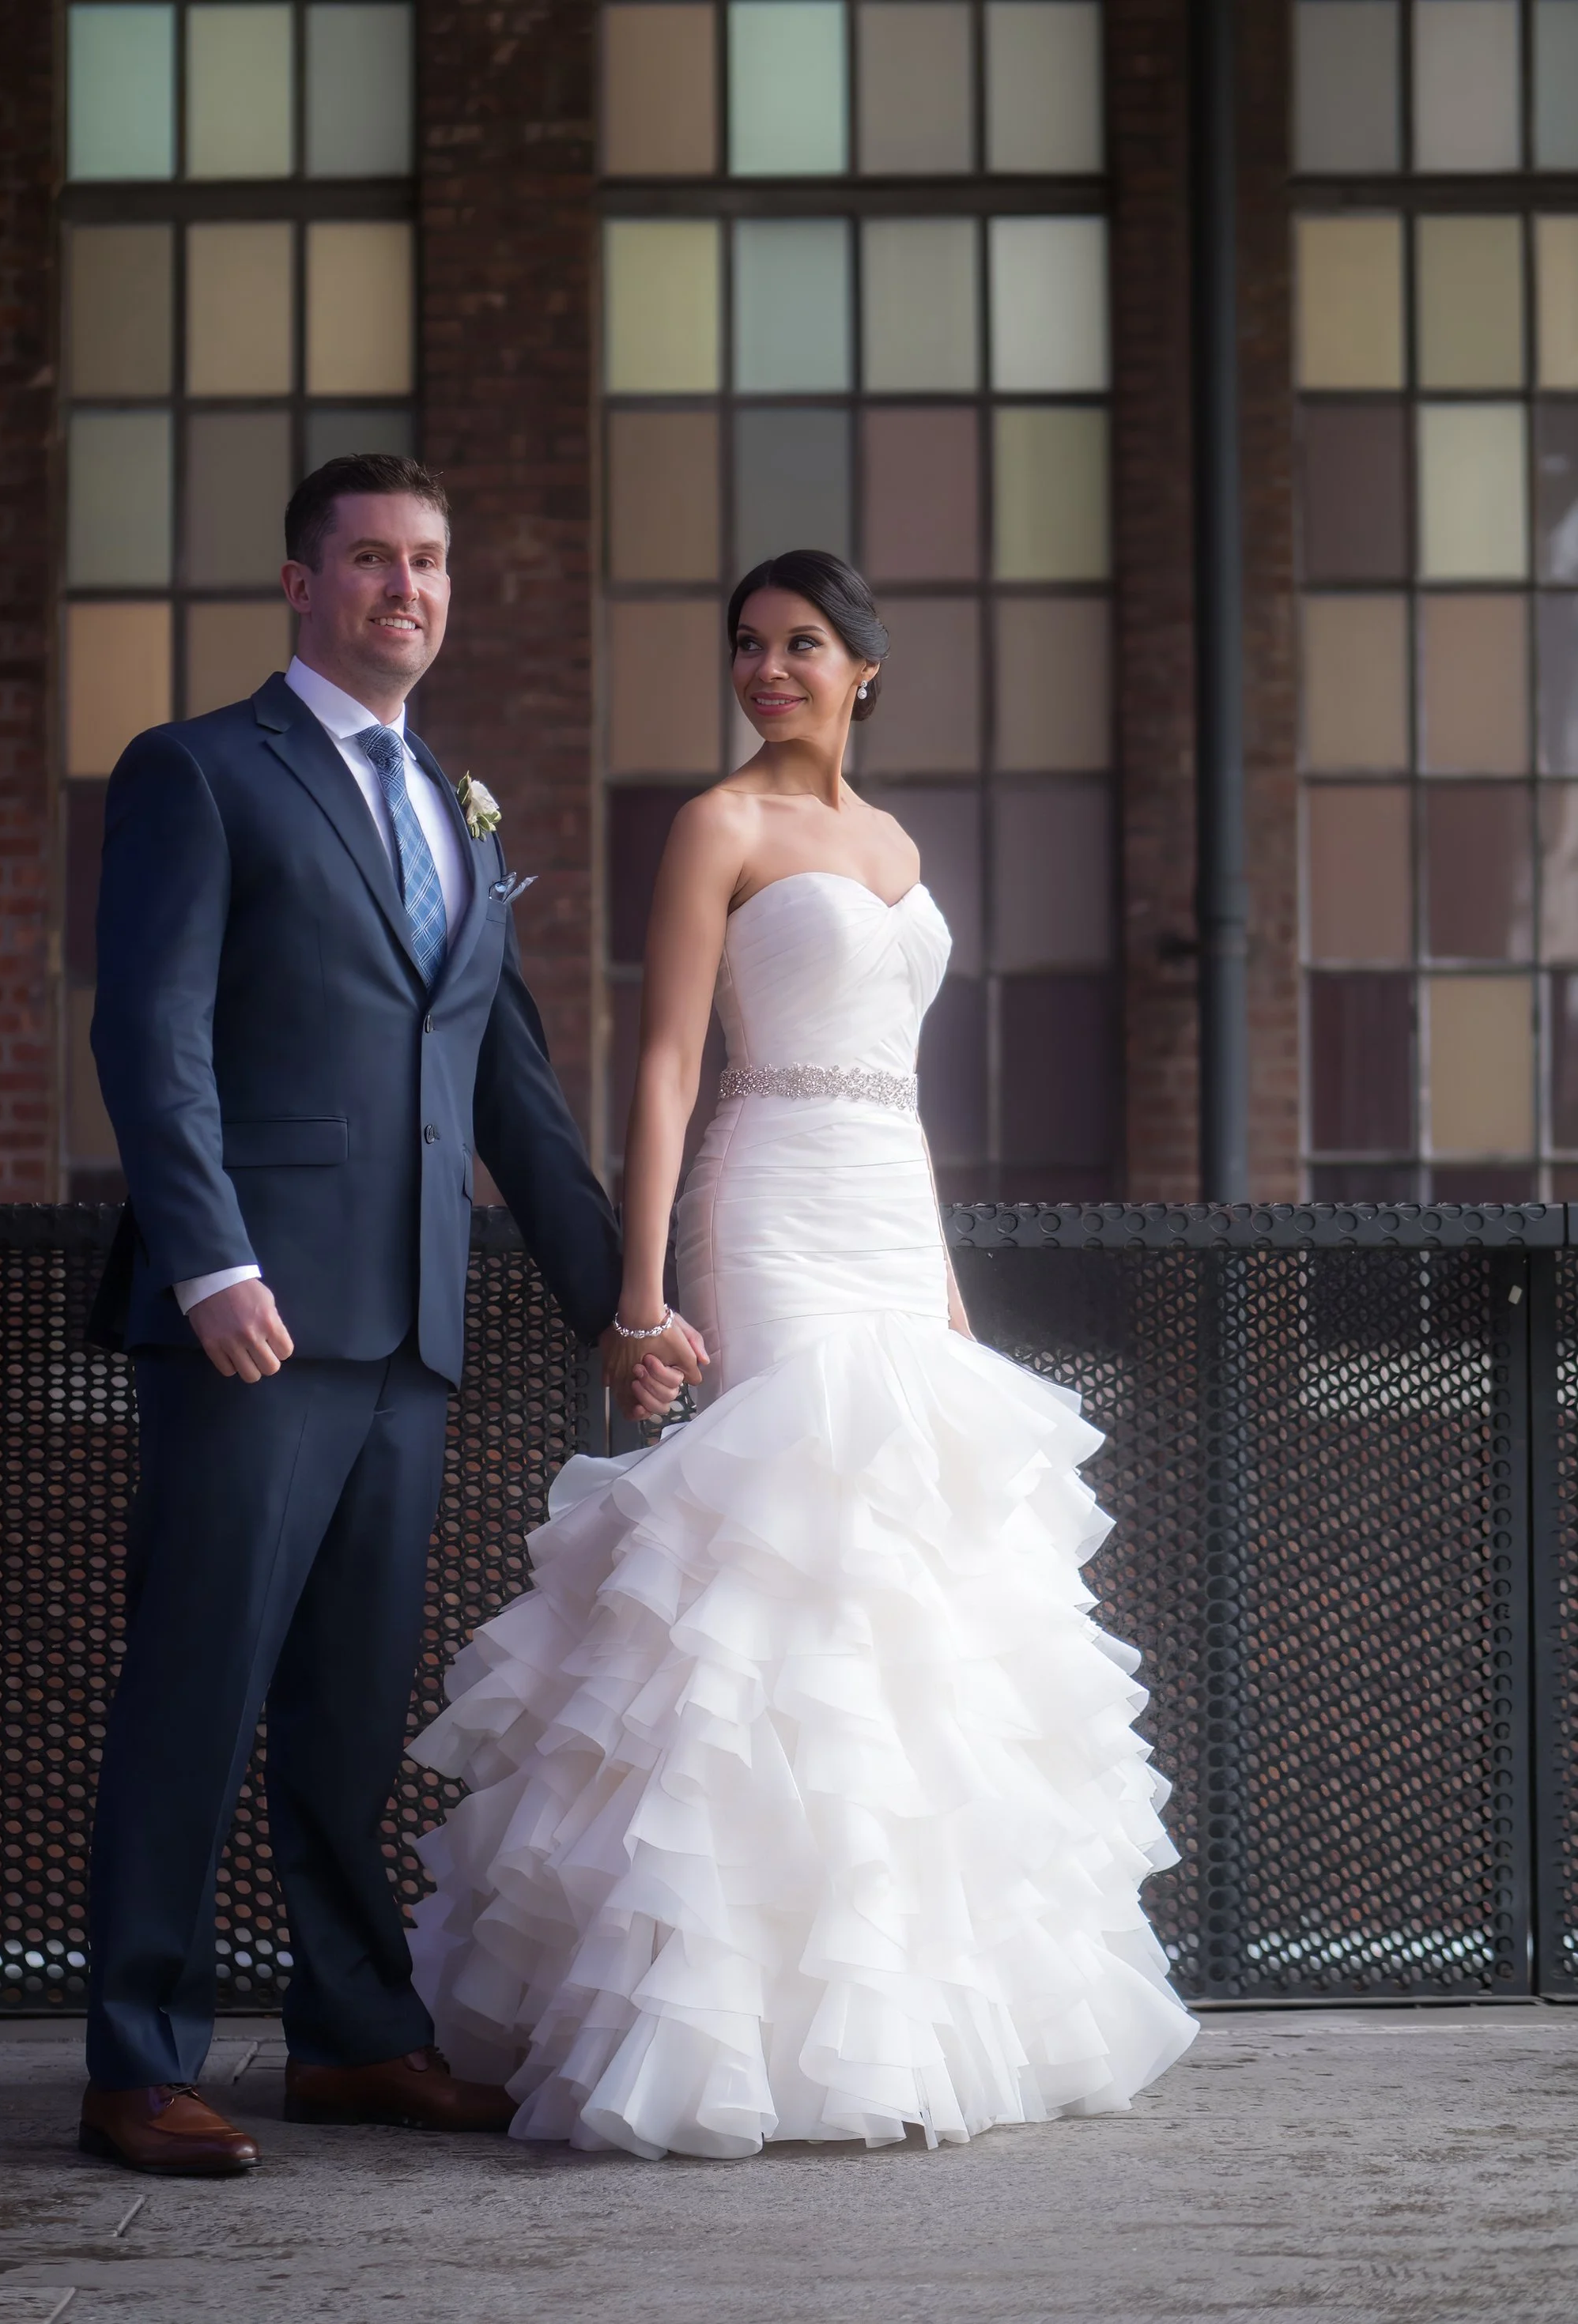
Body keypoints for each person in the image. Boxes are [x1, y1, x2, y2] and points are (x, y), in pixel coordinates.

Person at [406, 549, 1198, 2158]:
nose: (768, 670)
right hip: (768, 1208)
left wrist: (952, 1285)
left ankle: (899, 2001)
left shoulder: (895, 846)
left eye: (803, 646)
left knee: (922, 1578)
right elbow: (667, 1062)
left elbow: (905, 1095)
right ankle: (712, 2013)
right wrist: (640, 1299)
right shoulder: (720, 826)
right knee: (787, 1555)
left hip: (894, 1217)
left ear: (864, 672)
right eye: (749, 646)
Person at [77, 453, 696, 2175]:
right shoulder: (200, 772)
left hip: (411, 1331)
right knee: (196, 1689)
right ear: (299, 584)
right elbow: (153, 1038)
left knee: (349, 1708)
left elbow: (516, 1098)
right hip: (250, 1322)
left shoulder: (456, 806)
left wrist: (612, 1309)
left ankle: (351, 2038)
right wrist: (211, 1263)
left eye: (426, 562)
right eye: (367, 561)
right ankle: (137, 2056)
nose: (403, 590)